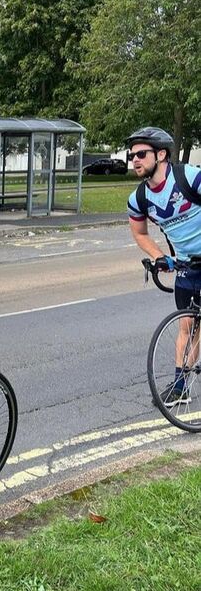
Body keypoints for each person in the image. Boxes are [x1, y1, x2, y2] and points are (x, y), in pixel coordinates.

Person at [126, 126, 201, 407]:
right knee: (187, 325)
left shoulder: (188, 178)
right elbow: (140, 233)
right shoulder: (140, 199)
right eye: (132, 155)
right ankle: (181, 386)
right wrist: (159, 256)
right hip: (188, 265)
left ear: (161, 154)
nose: (134, 160)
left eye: (141, 154)